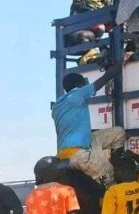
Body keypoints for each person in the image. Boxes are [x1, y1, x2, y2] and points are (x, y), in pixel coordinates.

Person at [54, 55, 132, 185]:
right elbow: (105, 78)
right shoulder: (77, 94)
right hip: (76, 153)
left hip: (75, 148)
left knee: (118, 133)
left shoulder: (58, 105)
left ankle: (116, 160)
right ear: (78, 85)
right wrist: (123, 59)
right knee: (108, 174)